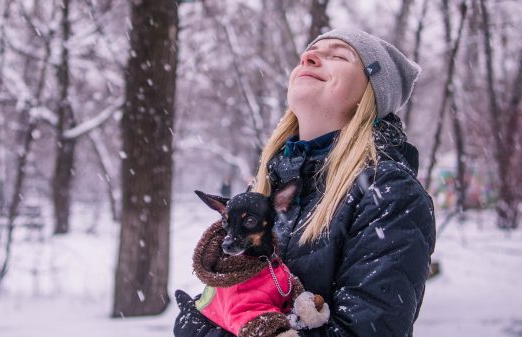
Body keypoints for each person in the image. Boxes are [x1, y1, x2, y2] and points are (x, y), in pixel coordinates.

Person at [174, 27, 436, 337]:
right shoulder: (268, 184)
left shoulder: (389, 192)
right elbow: (224, 300)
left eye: (339, 55)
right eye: (307, 55)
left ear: (372, 93)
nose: (309, 57)